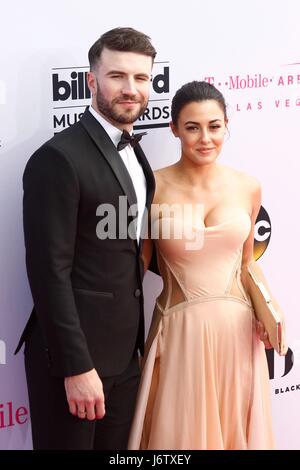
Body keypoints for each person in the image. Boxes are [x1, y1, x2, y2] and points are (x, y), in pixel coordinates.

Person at [15, 27, 156, 450]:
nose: (131, 89)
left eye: (141, 78)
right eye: (117, 76)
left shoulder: (134, 149)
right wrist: (75, 367)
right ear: (92, 81)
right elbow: (48, 272)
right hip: (74, 362)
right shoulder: (58, 158)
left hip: (125, 356)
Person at [128, 80, 287, 450]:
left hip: (237, 335)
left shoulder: (247, 186)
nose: (205, 138)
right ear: (174, 129)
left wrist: (270, 308)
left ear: (227, 124)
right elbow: (133, 271)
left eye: (214, 126)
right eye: (192, 127)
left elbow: (247, 264)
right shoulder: (152, 187)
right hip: (179, 333)